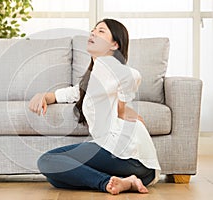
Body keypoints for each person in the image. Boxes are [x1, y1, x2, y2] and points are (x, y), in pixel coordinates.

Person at [28, 18, 161, 195]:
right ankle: (125, 182)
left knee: (47, 161)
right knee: (55, 178)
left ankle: (105, 182)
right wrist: (43, 95)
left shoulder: (109, 65)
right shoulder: (95, 75)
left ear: (114, 45)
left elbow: (133, 75)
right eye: (93, 30)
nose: (93, 33)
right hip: (140, 168)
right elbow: (70, 93)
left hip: (123, 153)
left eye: (101, 31)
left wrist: (122, 107)